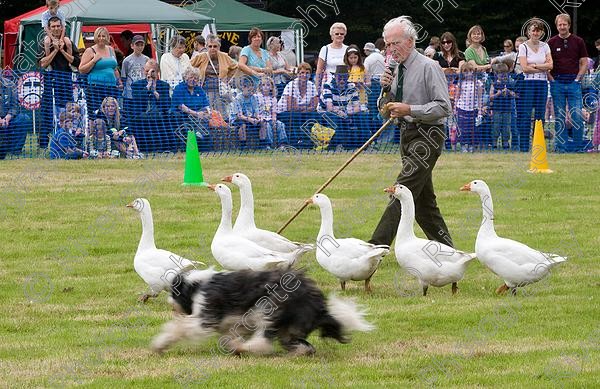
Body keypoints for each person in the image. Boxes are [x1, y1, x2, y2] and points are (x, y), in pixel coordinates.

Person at [369, 16, 453, 249]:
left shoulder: (429, 67)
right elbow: (385, 112)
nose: (390, 49)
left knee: (401, 191)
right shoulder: (393, 70)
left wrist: (410, 109)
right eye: (387, 44)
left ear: (410, 41)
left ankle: (376, 247)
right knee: (424, 203)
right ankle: (448, 250)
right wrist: (385, 91)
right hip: (406, 134)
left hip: (429, 135)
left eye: (394, 43)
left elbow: (444, 107)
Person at [37, 16, 81, 149]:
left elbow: (77, 62)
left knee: (67, 112)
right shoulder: (43, 43)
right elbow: (42, 63)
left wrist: (61, 50)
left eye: (58, 26)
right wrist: (55, 49)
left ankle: (68, 140)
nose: (56, 28)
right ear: (49, 29)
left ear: (62, 27)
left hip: (66, 83)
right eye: (53, 26)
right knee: (47, 113)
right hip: (50, 82)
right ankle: (44, 145)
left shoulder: (68, 42)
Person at [548, 13, 589, 152]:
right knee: (559, 115)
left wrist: (578, 79)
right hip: (557, 82)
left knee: (577, 114)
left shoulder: (578, 41)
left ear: (569, 25)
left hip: (574, 83)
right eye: (559, 24)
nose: (562, 27)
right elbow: (547, 63)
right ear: (556, 26)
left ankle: (578, 147)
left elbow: (584, 62)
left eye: (564, 24)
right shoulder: (551, 42)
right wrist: (552, 79)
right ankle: (561, 148)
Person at [517, 18, 553, 152]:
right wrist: (542, 67)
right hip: (528, 84)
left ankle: (538, 145)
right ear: (529, 32)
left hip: (542, 83)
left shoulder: (545, 46)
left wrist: (536, 66)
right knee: (526, 115)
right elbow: (525, 68)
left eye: (538, 31)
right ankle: (524, 147)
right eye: (533, 30)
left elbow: (550, 65)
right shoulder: (523, 46)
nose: (536, 33)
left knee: (540, 115)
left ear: (542, 33)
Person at [318, 64, 369, 149]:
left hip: (345, 112)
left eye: (344, 78)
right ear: (335, 77)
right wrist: (340, 113)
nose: (342, 81)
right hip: (325, 113)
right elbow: (329, 107)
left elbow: (357, 107)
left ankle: (365, 143)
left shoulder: (352, 86)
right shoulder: (328, 86)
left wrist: (348, 113)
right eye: (340, 78)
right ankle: (340, 144)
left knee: (361, 116)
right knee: (337, 118)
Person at [79, 27, 122, 115]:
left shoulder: (111, 49)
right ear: (95, 37)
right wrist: (94, 61)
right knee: (96, 114)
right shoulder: (90, 50)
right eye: (99, 36)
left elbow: (115, 69)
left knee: (111, 113)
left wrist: (119, 82)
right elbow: (81, 69)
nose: (101, 38)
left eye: (103, 36)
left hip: (111, 87)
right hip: (96, 88)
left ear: (107, 37)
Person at [190, 34, 238, 114]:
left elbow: (235, 66)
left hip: (220, 91)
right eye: (210, 46)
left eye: (215, 46)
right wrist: (195, 78)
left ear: (219, 47)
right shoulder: (201, 56)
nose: (212, 48)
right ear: (206, 47)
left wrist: (227, 79)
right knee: (206, 114)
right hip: (204, 90)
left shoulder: (224, 56)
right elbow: (189, 66)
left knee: (220, 115)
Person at [278, 62, 320, 148]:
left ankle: (309, 142)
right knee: (296, 116)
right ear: (298, 74)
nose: (304, 75)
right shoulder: (291, 85)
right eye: (302, 73)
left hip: (302, 112)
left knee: (315, 115)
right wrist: (306, 108)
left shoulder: (311, 85)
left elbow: (314, 105)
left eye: (307, 73)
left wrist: (304, 109)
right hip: (284, 113)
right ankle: (296, 142)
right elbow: (291, 107)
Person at [171, 67, 213, 151]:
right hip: (184, 117)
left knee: (205, 118)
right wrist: (196, 114)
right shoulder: (179, 88)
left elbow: (206, 105)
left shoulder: (199, 90)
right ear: (185, 77)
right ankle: (199, 135)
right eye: (191, 77)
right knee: (197, 121)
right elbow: (181, 106)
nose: (193, 80)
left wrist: (208, 112)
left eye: (196, 78)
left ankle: (201, 135)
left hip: (199, 118)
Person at [455, 61, 484, 152]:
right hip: (462, 108)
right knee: (463, 128)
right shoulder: (461, 83)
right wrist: (455, 108)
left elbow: (480, 98)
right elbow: (457, 96)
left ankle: (471, 145)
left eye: (470, 71)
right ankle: (463, 145)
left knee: (473, 129)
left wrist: (479, 111)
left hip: (473, 109)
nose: (468, 73)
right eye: (465, 71)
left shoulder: (478, 83)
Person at [0, 76, 31, 159]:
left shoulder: (10, 85)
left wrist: (7, 117)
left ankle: (15, 151)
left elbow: (15, 105)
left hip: (8, 117)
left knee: (24, 119)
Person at [230, 78, 263, 150]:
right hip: (238, 119)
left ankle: (263, 144)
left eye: (252, 91)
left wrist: (258, 118)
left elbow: (256, 111)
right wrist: (250, 120)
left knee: (262, 123)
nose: (251, 93)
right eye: (249, 91)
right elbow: (239, 115)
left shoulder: (253, 98)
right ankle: (243, 145)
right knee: (243, 125)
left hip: (250, 118)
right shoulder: (238, 98)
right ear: (243, 87)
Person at [489, 62, 516, 149]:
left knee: (506, 126)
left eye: (505, 73)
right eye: (501, 73)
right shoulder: (494, 84)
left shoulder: (510, 84)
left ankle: (505, 142)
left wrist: (509, 92)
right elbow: (491, 97)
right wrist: (498, 94)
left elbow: (516, 95)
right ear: (496, 74)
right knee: (496, 125)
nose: (503, 75)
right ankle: (494, 142)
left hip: (507, 109)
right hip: (497, 109)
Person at [256, 76, 288, 149]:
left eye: (268, 85)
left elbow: (274, 112)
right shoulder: (257, 97)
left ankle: (282, 144)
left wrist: (274, 120)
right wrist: (259, 118)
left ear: (271, 87)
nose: (265, 87)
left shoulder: (273, 99)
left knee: (280, 124)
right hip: (261, 119)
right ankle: (268, 144)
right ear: (260, 87)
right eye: (263, 85)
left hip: (270, 118)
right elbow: (256, 110)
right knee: (267, 126)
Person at [315, 22, 349, 90]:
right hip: (328, 85)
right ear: (332, 36)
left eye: (342, 34)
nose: (339, 35)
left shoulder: (348, 49)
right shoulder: (325, 49)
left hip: (345, 85)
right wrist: (317, 87)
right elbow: (319, 70)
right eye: (337, 34)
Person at [121, 35, 149, 110]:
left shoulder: (147, 60)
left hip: (142, 92)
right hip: (130, 93)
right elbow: (124, 76)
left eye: (141, 45)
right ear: (132, 46)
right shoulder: (127, 60)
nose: (140, 47)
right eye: (137, 45)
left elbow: (148, 75)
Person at [345, 45, 370, 110]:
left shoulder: (363, 68)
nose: (353, 60)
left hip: (361, 95)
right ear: (347, 58)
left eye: (355, 57)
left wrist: (363, 84)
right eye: (351, 58)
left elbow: (368, 82)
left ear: (359, 57)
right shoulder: (345, 68)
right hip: (349, 96)